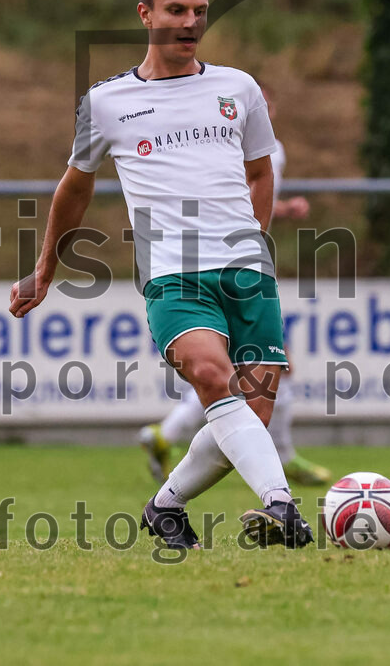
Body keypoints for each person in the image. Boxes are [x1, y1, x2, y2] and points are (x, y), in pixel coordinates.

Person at [9, 0, 314, 549]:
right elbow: (75, 186)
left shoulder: (239, 89)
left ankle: (165, 507)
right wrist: (45, 269)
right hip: (174, 275)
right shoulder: (107, 102)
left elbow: (259, 172)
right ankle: (281, 506)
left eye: (200, 10)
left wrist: (253, 242)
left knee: (249, 416)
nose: (190, 21)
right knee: (209, 374)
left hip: (248, 271)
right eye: (177, 9)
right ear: (146, 13)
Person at [139, 84, 331, 488]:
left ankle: (168, 438)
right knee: (256, 372)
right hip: (221, 267)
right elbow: (230, 197)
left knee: (238, 375)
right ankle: (280, 461)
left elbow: (242, 191)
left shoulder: (265, 147)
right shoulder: (214, 141)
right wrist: (280, 212)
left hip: (239, 265)